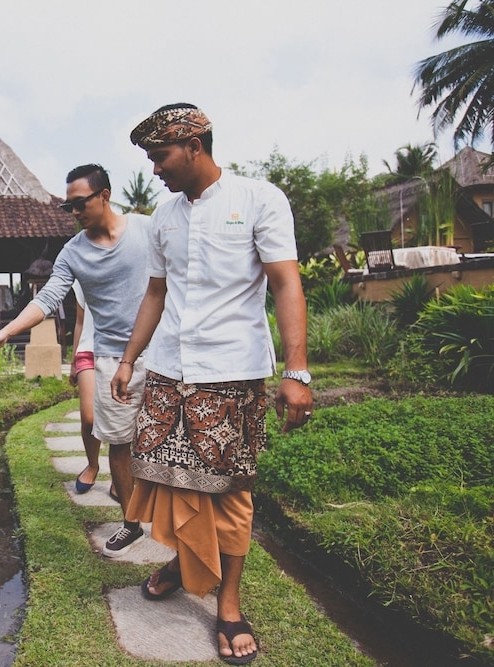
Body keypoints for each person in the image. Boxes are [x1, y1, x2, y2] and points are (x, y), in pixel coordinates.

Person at [111, 103, 313, 665]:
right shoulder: (163, 214)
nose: (154, 169)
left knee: (228, 491)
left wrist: (296, 371)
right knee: (168, 482)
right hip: (169, 370)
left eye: (160, 157)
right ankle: (184, 561)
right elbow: (156, 293)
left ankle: (228, 601)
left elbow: (285, 284)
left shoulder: (259, 199)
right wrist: (130, 359)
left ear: (194, 145)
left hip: (230, 374)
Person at [0, 163, 151, 557]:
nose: (73, 212)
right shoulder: (73, 252)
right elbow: (48, 298)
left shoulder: (146, 230)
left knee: (160, 444)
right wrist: (6, 332)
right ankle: (132, 523)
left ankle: (173, 521)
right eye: (67, 206)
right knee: (119, 444)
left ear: (104, 194)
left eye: (79, 203)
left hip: (160, 353)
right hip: (109, 358)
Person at [69, 280, 104, 495]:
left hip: (124, 349)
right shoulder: (84, 272)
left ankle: (121, 474)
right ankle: (93, 465)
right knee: (89, 417)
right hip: (88, 348)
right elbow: (80, 322)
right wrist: (73, 361)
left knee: (124, 420)